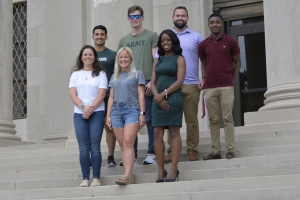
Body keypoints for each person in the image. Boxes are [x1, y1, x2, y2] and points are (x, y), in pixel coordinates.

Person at [117, 5, 158, 165]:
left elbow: (156, 59)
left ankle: (151, 153)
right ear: (128, 19)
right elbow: (120, 62)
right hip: (129, 84)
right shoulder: (123, 40)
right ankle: (131, 156)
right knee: (130, 120)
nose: (135, 19)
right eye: (132, 17)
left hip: (147, 82)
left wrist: (152, 82)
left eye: (137, 16)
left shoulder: (151, 36)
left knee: (148, 119)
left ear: (143, 17)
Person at [198, 13, 241, 160]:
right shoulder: (203, 44)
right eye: (212, 23)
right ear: (208, 25)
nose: (214, 25)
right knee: (213, 120)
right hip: (209, 87)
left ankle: (230, 150)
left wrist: (231, 78)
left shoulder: (230, 42)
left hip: (226, 86)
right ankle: (215, 151)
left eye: (217, 22)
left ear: (221, 24)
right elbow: (203, 63)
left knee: (228, 118)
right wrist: (205, 77)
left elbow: (238, 63)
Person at [164, 6, 204, 163]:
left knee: (191, 120)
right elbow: (158, 60)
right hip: (171, 86)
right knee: (172, 120)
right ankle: (171, 151)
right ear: (173, 17)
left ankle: (192, 150)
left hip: (191, 84)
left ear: (187, 18)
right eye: (177, 15)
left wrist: (205, 77)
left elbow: (204, 59)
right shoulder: (166, 37)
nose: (180, 18)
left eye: (183, 16)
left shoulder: (196, 37)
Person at [106, 47, 146, 185]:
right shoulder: (114, 76)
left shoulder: (137, 74)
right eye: (120, 57)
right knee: (123, 145)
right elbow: (111, 97)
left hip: (132, 110)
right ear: (118, 60)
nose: (123, 59)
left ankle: (128, 175)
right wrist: (108, 115)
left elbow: (141, 95)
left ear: (131, 59)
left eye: (126, 57)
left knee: (128, 142)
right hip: (116, 112)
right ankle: (128, 175)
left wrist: (142, 113)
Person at [69, 45, 107, 187]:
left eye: (90, 54)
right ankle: (85, 178)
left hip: (97, 113)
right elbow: (73, 94)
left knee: (95, 147)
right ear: (81, 57)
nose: (88, 57)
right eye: (85, 54)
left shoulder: (101, 73)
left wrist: (90, 109)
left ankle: (96, 178)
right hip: (79, 114)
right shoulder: (75, 75)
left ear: (94, 57)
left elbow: (102, 94)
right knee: (83, 148)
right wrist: (83, 108)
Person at [151, 29, 186, 182]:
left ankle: (173, 169)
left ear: (173, 41)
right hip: (158, 100)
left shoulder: (179, 59)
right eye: (162, 40)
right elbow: (152, 82)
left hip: (173, 98)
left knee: (173, 133)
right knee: (157, 134)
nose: (165, 43)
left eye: (168, 40)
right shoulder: (157, 60)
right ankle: (160, 170)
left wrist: (163, 94)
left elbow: (179, 81)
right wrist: (157, 97)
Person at [92, 25, 117, 167]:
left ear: (106, 37)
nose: (99, 37)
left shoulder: (113, 55)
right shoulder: (88, 54)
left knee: (109, 127)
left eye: (102, 34)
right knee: (95, 128)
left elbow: (117, 74)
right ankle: (94, 157)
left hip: (108, 96)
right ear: (93, 37)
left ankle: (111, 156)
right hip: (92, 98)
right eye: (97, 34)